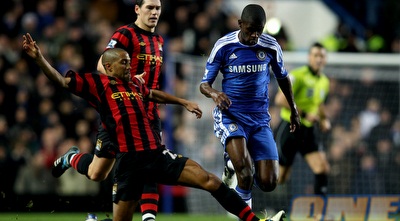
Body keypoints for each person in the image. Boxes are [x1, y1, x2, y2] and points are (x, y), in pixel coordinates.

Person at [22, 33, 286, 221]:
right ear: (109, 66)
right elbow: (61, 81)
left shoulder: (136, 84)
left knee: (210, 180)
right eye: (124, 62)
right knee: (100, 180)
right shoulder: (97, 84)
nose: (129, 66)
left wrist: (182, 101)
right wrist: (39, 59)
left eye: (129, 61)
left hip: (157, 155)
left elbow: (154, 94)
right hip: (128, 163)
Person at [52, 1, 165, 220]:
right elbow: (102, 65)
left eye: (158, 8)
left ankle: (149, 217)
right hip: (120, 114)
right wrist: (130, 82)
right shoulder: (124, 34)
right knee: (97, 173)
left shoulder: (159, 40)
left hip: (148, 115)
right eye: (149, 7)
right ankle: (72, 158)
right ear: (137, 9)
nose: (154, 12)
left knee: (151, 163)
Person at [199, 3, 300, 212]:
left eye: (259, 30)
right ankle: (243, 210)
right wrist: (215, 94)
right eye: (250, 30)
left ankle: (233, 166)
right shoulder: (224, 46)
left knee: (269, 182)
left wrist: (293, 109)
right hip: (232, 116)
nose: (254, 35)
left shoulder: (270, 46)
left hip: (260, 119)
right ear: (240, 24)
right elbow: (204, 84)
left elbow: (283, 77)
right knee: (244, 174)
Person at [274, 42, 331, 195]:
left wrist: (324, 119)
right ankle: (243, 190)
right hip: (290, 128)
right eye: (316, 55)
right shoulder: (297, 75)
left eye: (322, 56)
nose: (319, 59)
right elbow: (280, 100)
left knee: (322, 168)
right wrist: (305, 114)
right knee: (280, 178)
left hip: (307, 131)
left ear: (325, 59)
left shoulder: (325, 81)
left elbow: (319, 104)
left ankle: (320, 214)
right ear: (309, 57)